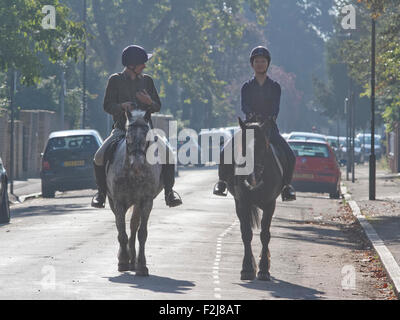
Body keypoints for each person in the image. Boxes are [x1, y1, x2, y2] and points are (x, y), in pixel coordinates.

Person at [91, 45, 182, 208]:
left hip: (146, 131)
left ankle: (169, 192)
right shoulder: (115, 80)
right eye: (142, 63)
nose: (145, 66)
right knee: (99, 156)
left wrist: (149, 102)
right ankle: (101, 193)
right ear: (132, 65)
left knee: (168, 153)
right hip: (121, 130)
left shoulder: (147, 81)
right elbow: (107, 106)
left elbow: (157, 106)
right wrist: (122, 106)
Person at [213, 46, 296, 201]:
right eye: (257, 61)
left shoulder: (275, 86)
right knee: (225, 151)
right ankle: (222, 182)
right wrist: (252, 115)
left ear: (267, 64)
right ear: (252, 64)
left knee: (290, 155)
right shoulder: (246, 86)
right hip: (249, 128)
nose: (260, 64)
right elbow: (244, 106)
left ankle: (286, 187)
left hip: (268, 129)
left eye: (263, 61)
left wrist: (267, 119)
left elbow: (275, 108)